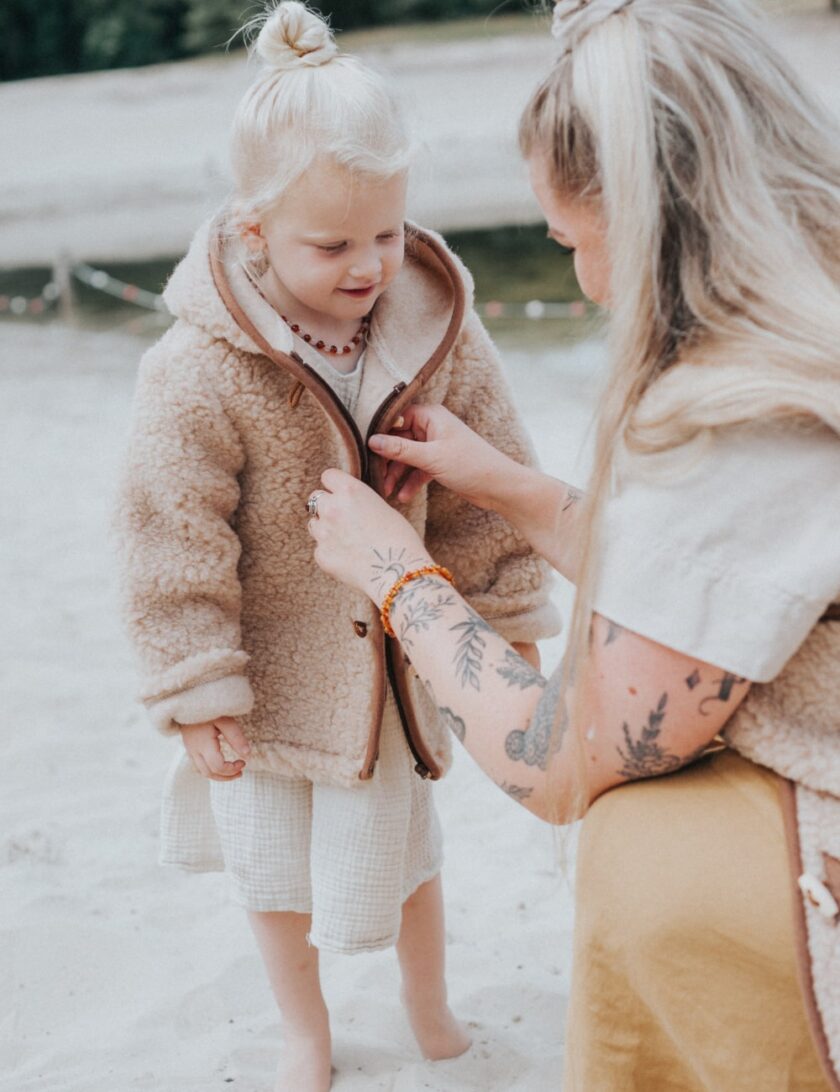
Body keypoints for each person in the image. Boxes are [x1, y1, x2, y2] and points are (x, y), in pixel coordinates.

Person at [306, 0, 840, 1088]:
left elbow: (562, 755)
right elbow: (720, 587)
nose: (586, 281)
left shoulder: (743, 413)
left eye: (573, 241)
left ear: (645, 224)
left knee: (641, 847)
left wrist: (397, 577)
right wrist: (511, 490)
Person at [113, 3, 560, 1089]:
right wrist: (196, 682)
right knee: (272, 870)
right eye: (333, 244)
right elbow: (166, 531)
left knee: (411, 854)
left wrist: (502, 625)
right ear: (255, 228)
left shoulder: (432, 325)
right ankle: (303, 1031)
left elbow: (486, 480)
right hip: (265, 675)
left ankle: (430, 1008)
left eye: (389, 233)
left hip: (393, 670)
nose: (368, 265)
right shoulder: (198, 367)